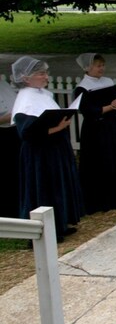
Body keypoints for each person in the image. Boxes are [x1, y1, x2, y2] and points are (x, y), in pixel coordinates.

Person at [10, 56, 84, 240]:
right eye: (41, 73)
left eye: (45, 73)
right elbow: (27, 133)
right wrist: (57, 128)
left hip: (55, 150)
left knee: (58, 186)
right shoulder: (26, 99)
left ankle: (61, 223)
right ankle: (49, 231)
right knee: (46, 189)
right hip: (41, 155)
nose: (46, 77)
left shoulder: (43, 94)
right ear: (26, 78)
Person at [73, 53, 116, 213]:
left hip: (111, 126)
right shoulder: (82, 88)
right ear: (88, 68)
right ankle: (100, 199)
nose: (101, 69)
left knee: (115, 157)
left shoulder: (108, 82)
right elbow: (89, 111)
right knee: (100, 161)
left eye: (102, 65)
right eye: (98, 66)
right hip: (95, 130)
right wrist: (110, 107)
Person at [0, 78, 21, 218]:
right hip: (2, 134)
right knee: (6, 174)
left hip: (14, 132)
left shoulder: (4, 84)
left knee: (17, 170)